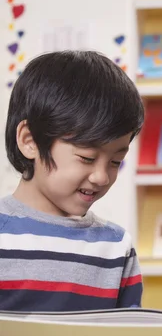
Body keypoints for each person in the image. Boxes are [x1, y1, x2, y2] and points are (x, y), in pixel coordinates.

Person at [0, 50, 144, 312]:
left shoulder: (115, 248)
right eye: (87, 158)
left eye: (115, 161)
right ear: (30, 142)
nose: (102, 177)